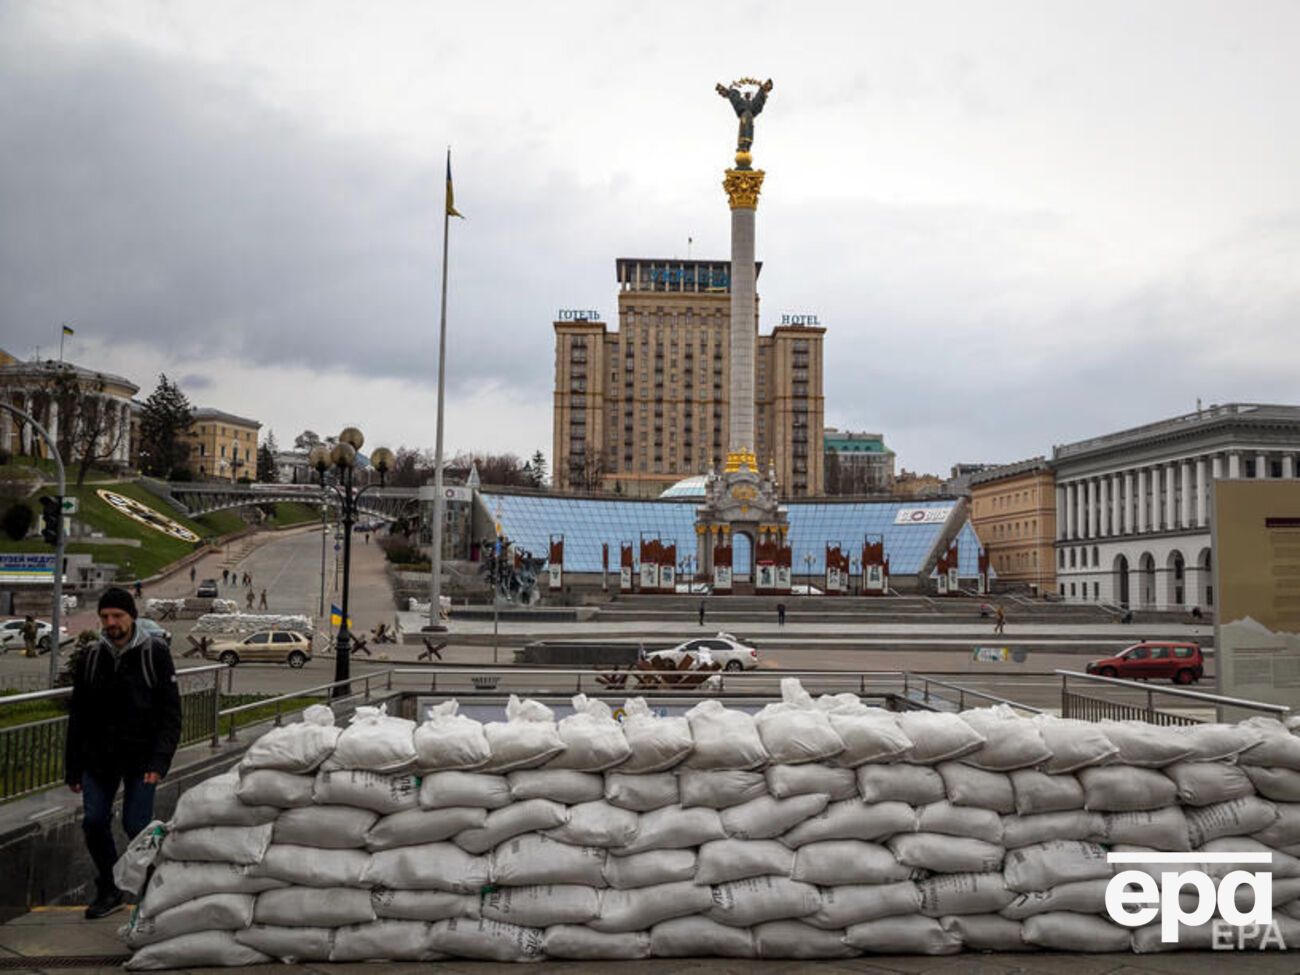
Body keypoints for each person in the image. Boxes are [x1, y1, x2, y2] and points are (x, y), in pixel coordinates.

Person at [66, 587, 180, 919]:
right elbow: (79, 716)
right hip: (98, 759)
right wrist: (73, 769)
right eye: (105, 617)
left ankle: (156, 886)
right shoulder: (91, 656)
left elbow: (170, 715)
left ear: (132, 616)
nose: (111, 623)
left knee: (136, 826)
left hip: (142, 760)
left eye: (117, 616)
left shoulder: (153, 652)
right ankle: (109, 887)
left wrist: (160, 761)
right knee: (94, 821)